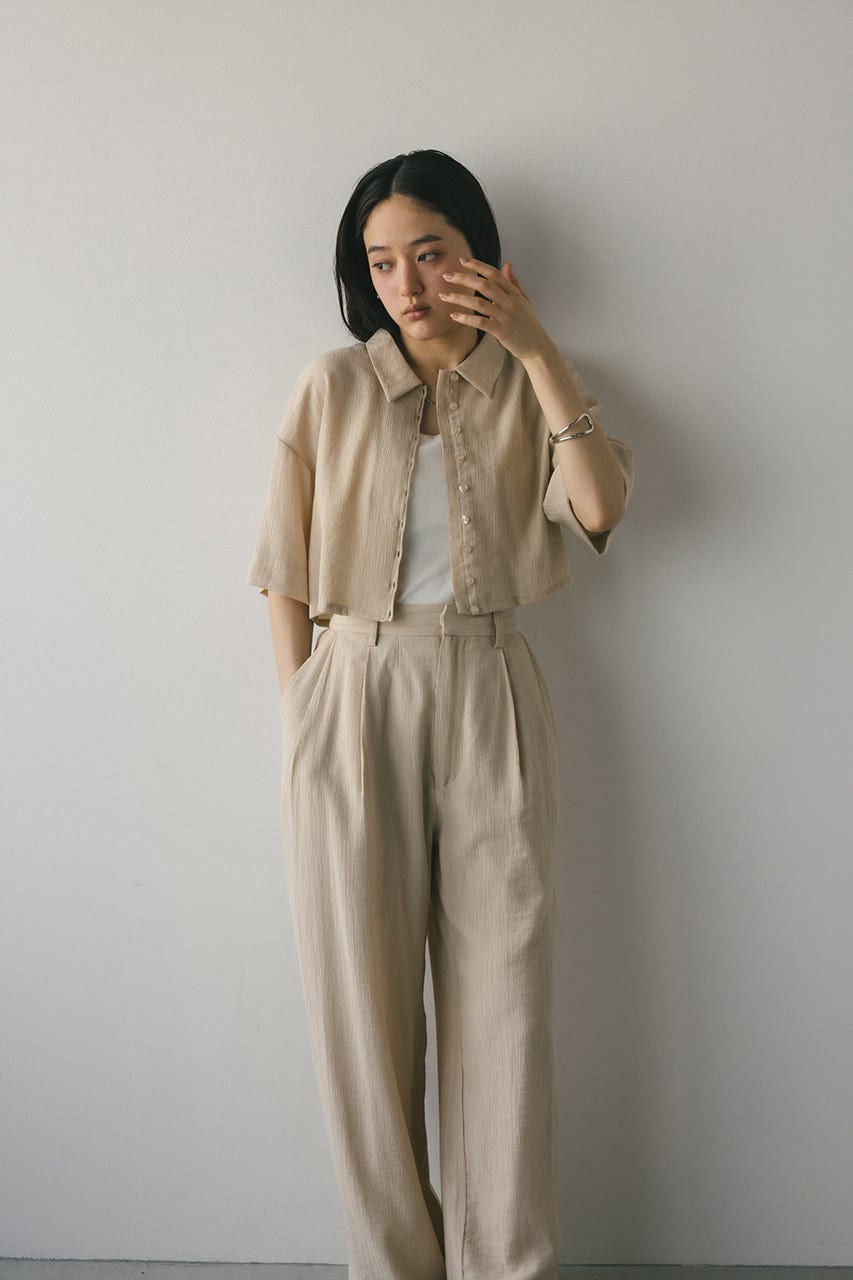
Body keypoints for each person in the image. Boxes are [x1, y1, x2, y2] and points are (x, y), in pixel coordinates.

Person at [247, 148, 635, 1280]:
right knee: (361, 1016)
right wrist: (304, 714)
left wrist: (538, 350)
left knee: (504, 1006)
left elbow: (601, 508)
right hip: (351, 690)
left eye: (429, 253)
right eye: (381, 263)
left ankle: (507, 1265)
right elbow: (281, 569)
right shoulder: (329, 386)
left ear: (480, 255)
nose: (406, 284)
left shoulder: (528, 381)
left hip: (488, 685)